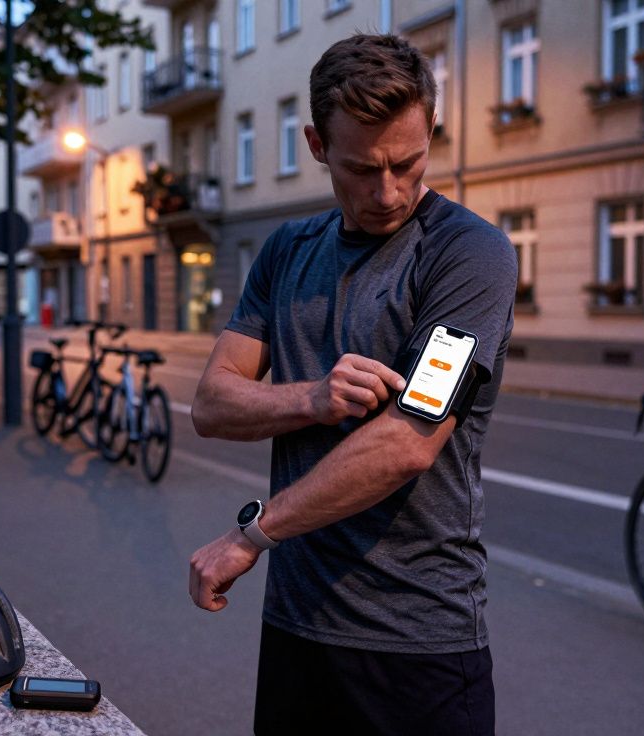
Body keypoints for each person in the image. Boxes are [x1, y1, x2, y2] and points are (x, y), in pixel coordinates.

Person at [188, 34, 517, 736]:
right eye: (362, 169)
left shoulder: (469, 253)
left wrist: (252, 537)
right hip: (298, 628)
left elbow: (408, 442)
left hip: (419, 643)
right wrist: (310, 396)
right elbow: (211, 405)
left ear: (430, 128)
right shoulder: (287, 250)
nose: (388, 192)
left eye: (408, 163)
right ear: (315, 144)